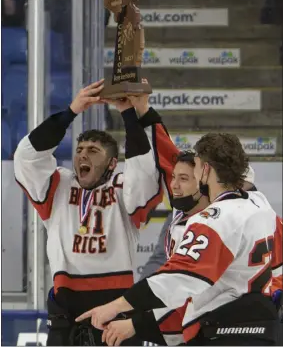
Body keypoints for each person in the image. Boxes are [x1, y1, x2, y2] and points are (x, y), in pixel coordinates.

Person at [77, 130, 281, 346]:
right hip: (263, 329)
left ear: (205, 169)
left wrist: (115, 306)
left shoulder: (215, 220)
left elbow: (177, 279)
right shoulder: (260, 205)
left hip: (225, 332)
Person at [13, 79, 164, 346]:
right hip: (66, 310)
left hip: (116, 307)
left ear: (112, 163)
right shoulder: (58, 184)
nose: (83, 156)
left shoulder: (122, 187)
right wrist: (71, 112)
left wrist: (129, 114)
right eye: (80, 150)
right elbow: (27, 156)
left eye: (93, 151)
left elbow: (145, 170)